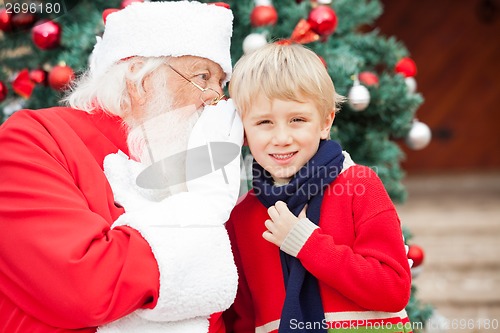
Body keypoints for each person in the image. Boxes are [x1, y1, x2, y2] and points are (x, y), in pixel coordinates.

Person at [0, 2, 243, 333]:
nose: (216, 97)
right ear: (140, 79)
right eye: (203, 76)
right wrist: (202, 210)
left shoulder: (192, 166)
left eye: (221, 82)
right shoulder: (34, 138)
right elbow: (84, 286)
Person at [223, 43, 413, 333]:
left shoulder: (358, 185)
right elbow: (246, 319)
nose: (282, 137)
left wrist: (307, 243)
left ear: (325, 123)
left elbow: (392, 290)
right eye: (264, 122)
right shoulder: (242, 217)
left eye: (297, 120)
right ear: (244, 132)